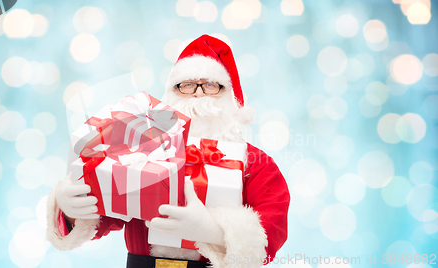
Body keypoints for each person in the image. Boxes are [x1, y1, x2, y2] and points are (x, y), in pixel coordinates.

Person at [46, 34, 290, 268]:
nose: (197, 93)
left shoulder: (256, 162)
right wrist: (70, 208)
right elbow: (108, 204)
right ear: (172, 94)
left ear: (230, 96)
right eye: (186, 85)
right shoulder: (137, 147)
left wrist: (211, 231)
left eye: (210, 85)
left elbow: (271, 229)